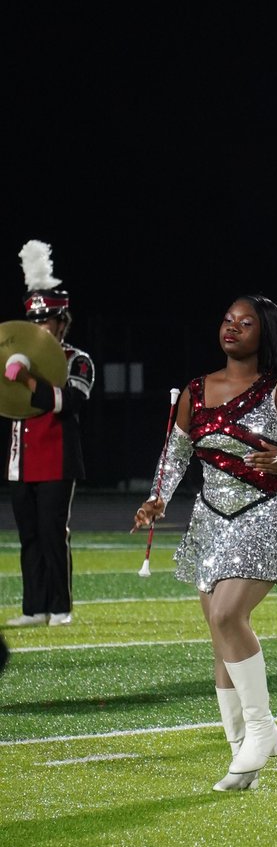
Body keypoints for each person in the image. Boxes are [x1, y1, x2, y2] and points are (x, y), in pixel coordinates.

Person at [133, 294, 277, 792]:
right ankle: (239, 753)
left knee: (229, 616)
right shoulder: (194, 390)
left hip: (268, 512)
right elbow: (175, 455)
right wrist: (157, 499)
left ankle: (263, 727)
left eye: (245, 324)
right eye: (227, 320)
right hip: (210, 517)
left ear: (264, 334)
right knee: (217, 631)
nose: (232, 329)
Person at [5, 240, 95, 628]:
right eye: (35, 322)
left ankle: (60, 607)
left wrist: (26, 378)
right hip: (20, 459)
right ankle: (33, 608)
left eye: (47, 321)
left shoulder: (78, 359)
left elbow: (69, 402)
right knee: (28, 537)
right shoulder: (13, 357)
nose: (41, 327)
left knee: (53, 534)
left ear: (62, 321)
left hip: (57, 458)